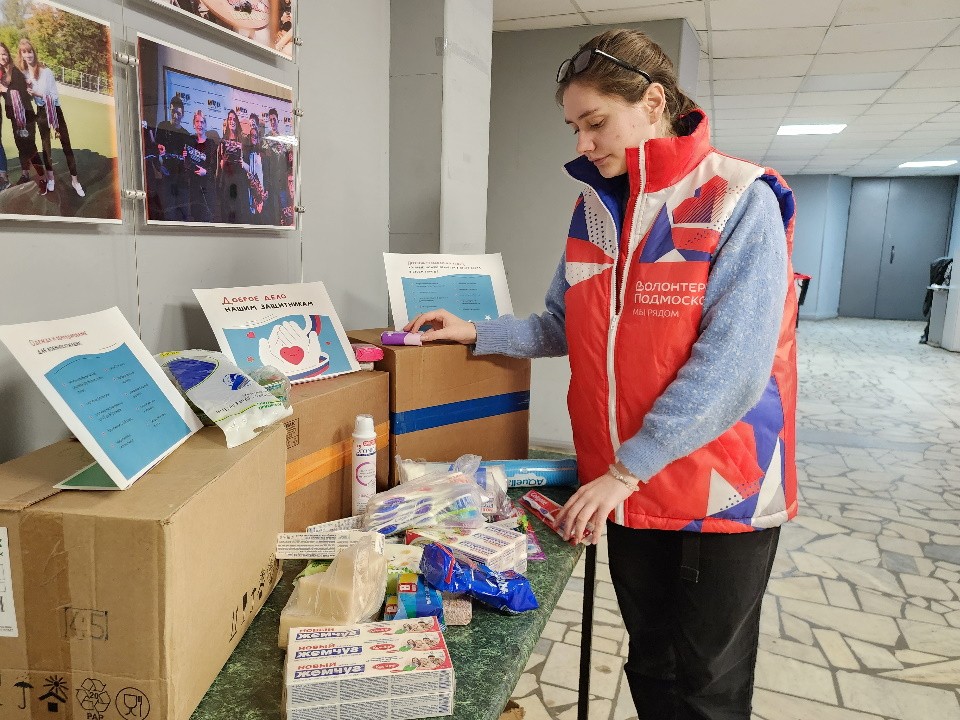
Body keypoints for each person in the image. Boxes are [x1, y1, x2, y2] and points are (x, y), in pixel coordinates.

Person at [404, 29, 797, 720]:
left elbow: (733, 368)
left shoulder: (739, 200)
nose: (582, 143)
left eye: (595, 123)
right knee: (650, 659)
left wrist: (625, 470)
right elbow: (562, 324)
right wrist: (479, 332)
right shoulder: (594, 211)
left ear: (652, 103)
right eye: (574, 127)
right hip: (626, 488)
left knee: (708, 682)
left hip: (718, 489)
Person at [17, 38, 84, 197]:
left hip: (55, 111)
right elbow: (30, 98)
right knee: (46, 147)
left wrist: (37, 93)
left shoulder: (46, 72)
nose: (28, 55)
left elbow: (53, 97)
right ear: (21, 55)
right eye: (24, 52)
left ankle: (75, 181)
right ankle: (51, 178)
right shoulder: (25, 75)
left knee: (66, 145)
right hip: (40, 112)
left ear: (34, 52)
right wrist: (28, 93)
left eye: (30, 51)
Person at [0, 41, 46, 193]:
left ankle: (42, 176)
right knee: (20, 146)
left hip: (25, 115)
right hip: (14, 117)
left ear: (8, 54)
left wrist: (5, 90)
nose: (2, 57)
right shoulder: (3, 74)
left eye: (4, 53)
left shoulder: (15, 72)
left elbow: (22, 95)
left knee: (29, 147)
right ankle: (25, 174)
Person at [154, 93, 191, 221]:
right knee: (168, 213)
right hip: (167, 178)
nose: (175, 116)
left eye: (178, 113)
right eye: (173, 112)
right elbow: (154, 149)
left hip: (182, 180)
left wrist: (187, 159)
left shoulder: (186, 134)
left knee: (184, 214)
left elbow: (189, 161)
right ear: (170, 110)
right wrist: (159, 167)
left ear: (183, 114)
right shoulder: (162, 126)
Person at [184, 109, 217, 222]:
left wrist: (206, 172)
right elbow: (186, 165)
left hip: (207, 189)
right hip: (193, 188)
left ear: (205, 124)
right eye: (197, 122)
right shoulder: (189, 142)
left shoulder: (211, 144)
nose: (200, 125)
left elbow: (214, 168)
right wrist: (185, 158)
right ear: (194, 124)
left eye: (202, 122)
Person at [216, 109, 246, 223]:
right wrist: (222, 163)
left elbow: (246, 164)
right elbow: (218, 167)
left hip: (239, 182)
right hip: (226, 181)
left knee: (238, 212)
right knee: (226, 213)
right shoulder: (222, 141)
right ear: (228, 122)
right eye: (230, 119)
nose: (232, 121)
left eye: (234, 119)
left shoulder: (242, 141)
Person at [244, 118, 266, 222]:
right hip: (248, 191)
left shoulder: (262, 154)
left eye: (256, 137)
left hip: (260, 193)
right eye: (252, 136)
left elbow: (265, 175)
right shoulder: (245, 153)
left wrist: (264, 191)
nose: (254, 138)